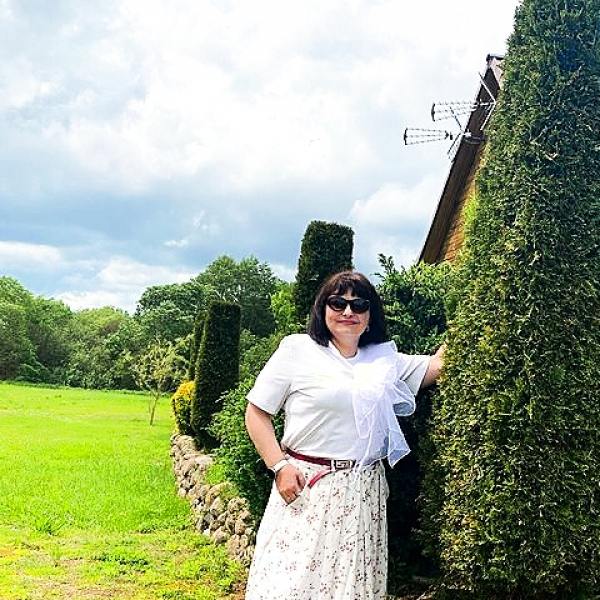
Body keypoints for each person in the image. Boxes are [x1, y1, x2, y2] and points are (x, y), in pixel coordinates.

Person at [244, 270, 444, 600]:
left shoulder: (384, 360)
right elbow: (256, 412)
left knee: (351, 588)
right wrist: (279, 466)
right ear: (323, 309)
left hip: (363, 494)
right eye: (338, 303)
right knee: (289, 585)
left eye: (359, 304)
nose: (348, 311)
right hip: (307, 488)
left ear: (370, 315)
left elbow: (438, 366)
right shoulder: (297, 350)